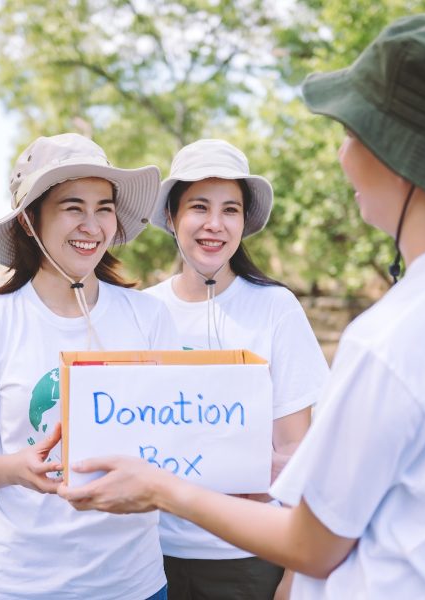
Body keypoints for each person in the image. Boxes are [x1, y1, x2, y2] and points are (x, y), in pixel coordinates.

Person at [57, 14, 425, 599]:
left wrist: (162, 488)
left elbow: (314, 546)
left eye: (351, 132)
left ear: (395, 153)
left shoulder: (393, 339)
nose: (344, 157)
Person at [0, 133, 176, 600]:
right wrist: (17, 469)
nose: (92, 224)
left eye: (104, 207)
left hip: (132, 583)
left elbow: (172, 435)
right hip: (18, 583)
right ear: (29, 221)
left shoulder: (149, 316)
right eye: (72, 206)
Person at [145, 138, 330, 598]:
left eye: (230, 210)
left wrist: (294, 573)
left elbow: (295, 453)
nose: (214, 224)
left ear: (244, 222)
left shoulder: (275, 307)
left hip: (247, 556)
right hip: (149, 557)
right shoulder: (142, 311)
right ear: (172, 217)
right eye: (198, 207)